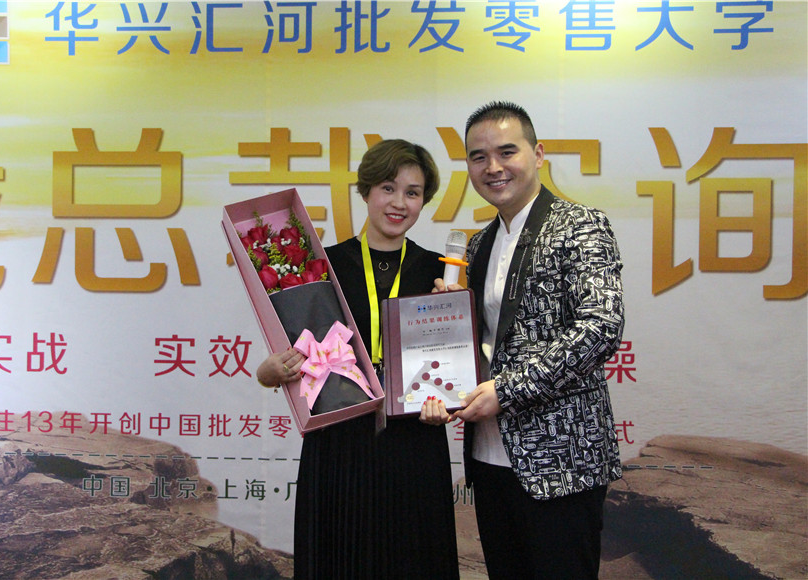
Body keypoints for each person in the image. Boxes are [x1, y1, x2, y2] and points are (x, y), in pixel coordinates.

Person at [256, 139, 460, 580]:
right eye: (388, 188)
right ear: (366, 190)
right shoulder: (320, 267)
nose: (399, 202)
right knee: (339, 559)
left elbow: (455, 364)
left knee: (414, 561)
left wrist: (451, 397)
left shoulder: (438, 273)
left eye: (412, 192)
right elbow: (291, 348)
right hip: (339, 439)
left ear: (424, 201)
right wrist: (269, 372)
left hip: (415, 441)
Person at [442, 101, 625, 579]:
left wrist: (507, 390)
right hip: (487, 455)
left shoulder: (580, 225)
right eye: (479, 157)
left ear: (538, 154)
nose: (493, 167)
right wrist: (446, 322)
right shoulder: (478, 244)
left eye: (507, 152)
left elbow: (600, 327)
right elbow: (485, 342)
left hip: (561, 461)